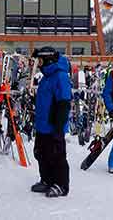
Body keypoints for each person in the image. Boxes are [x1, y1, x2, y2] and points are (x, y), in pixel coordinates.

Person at [30, 46, 72, 198]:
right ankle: (47, 180)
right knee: (41, 153)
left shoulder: (60, 76)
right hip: (42, 125)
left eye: (40, 60)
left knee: (56, 156)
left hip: (53, 125)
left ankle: (61, 185)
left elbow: (63, 103)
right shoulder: (47, 76)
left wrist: (58, 127)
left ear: (48, 60)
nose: (38, 64)